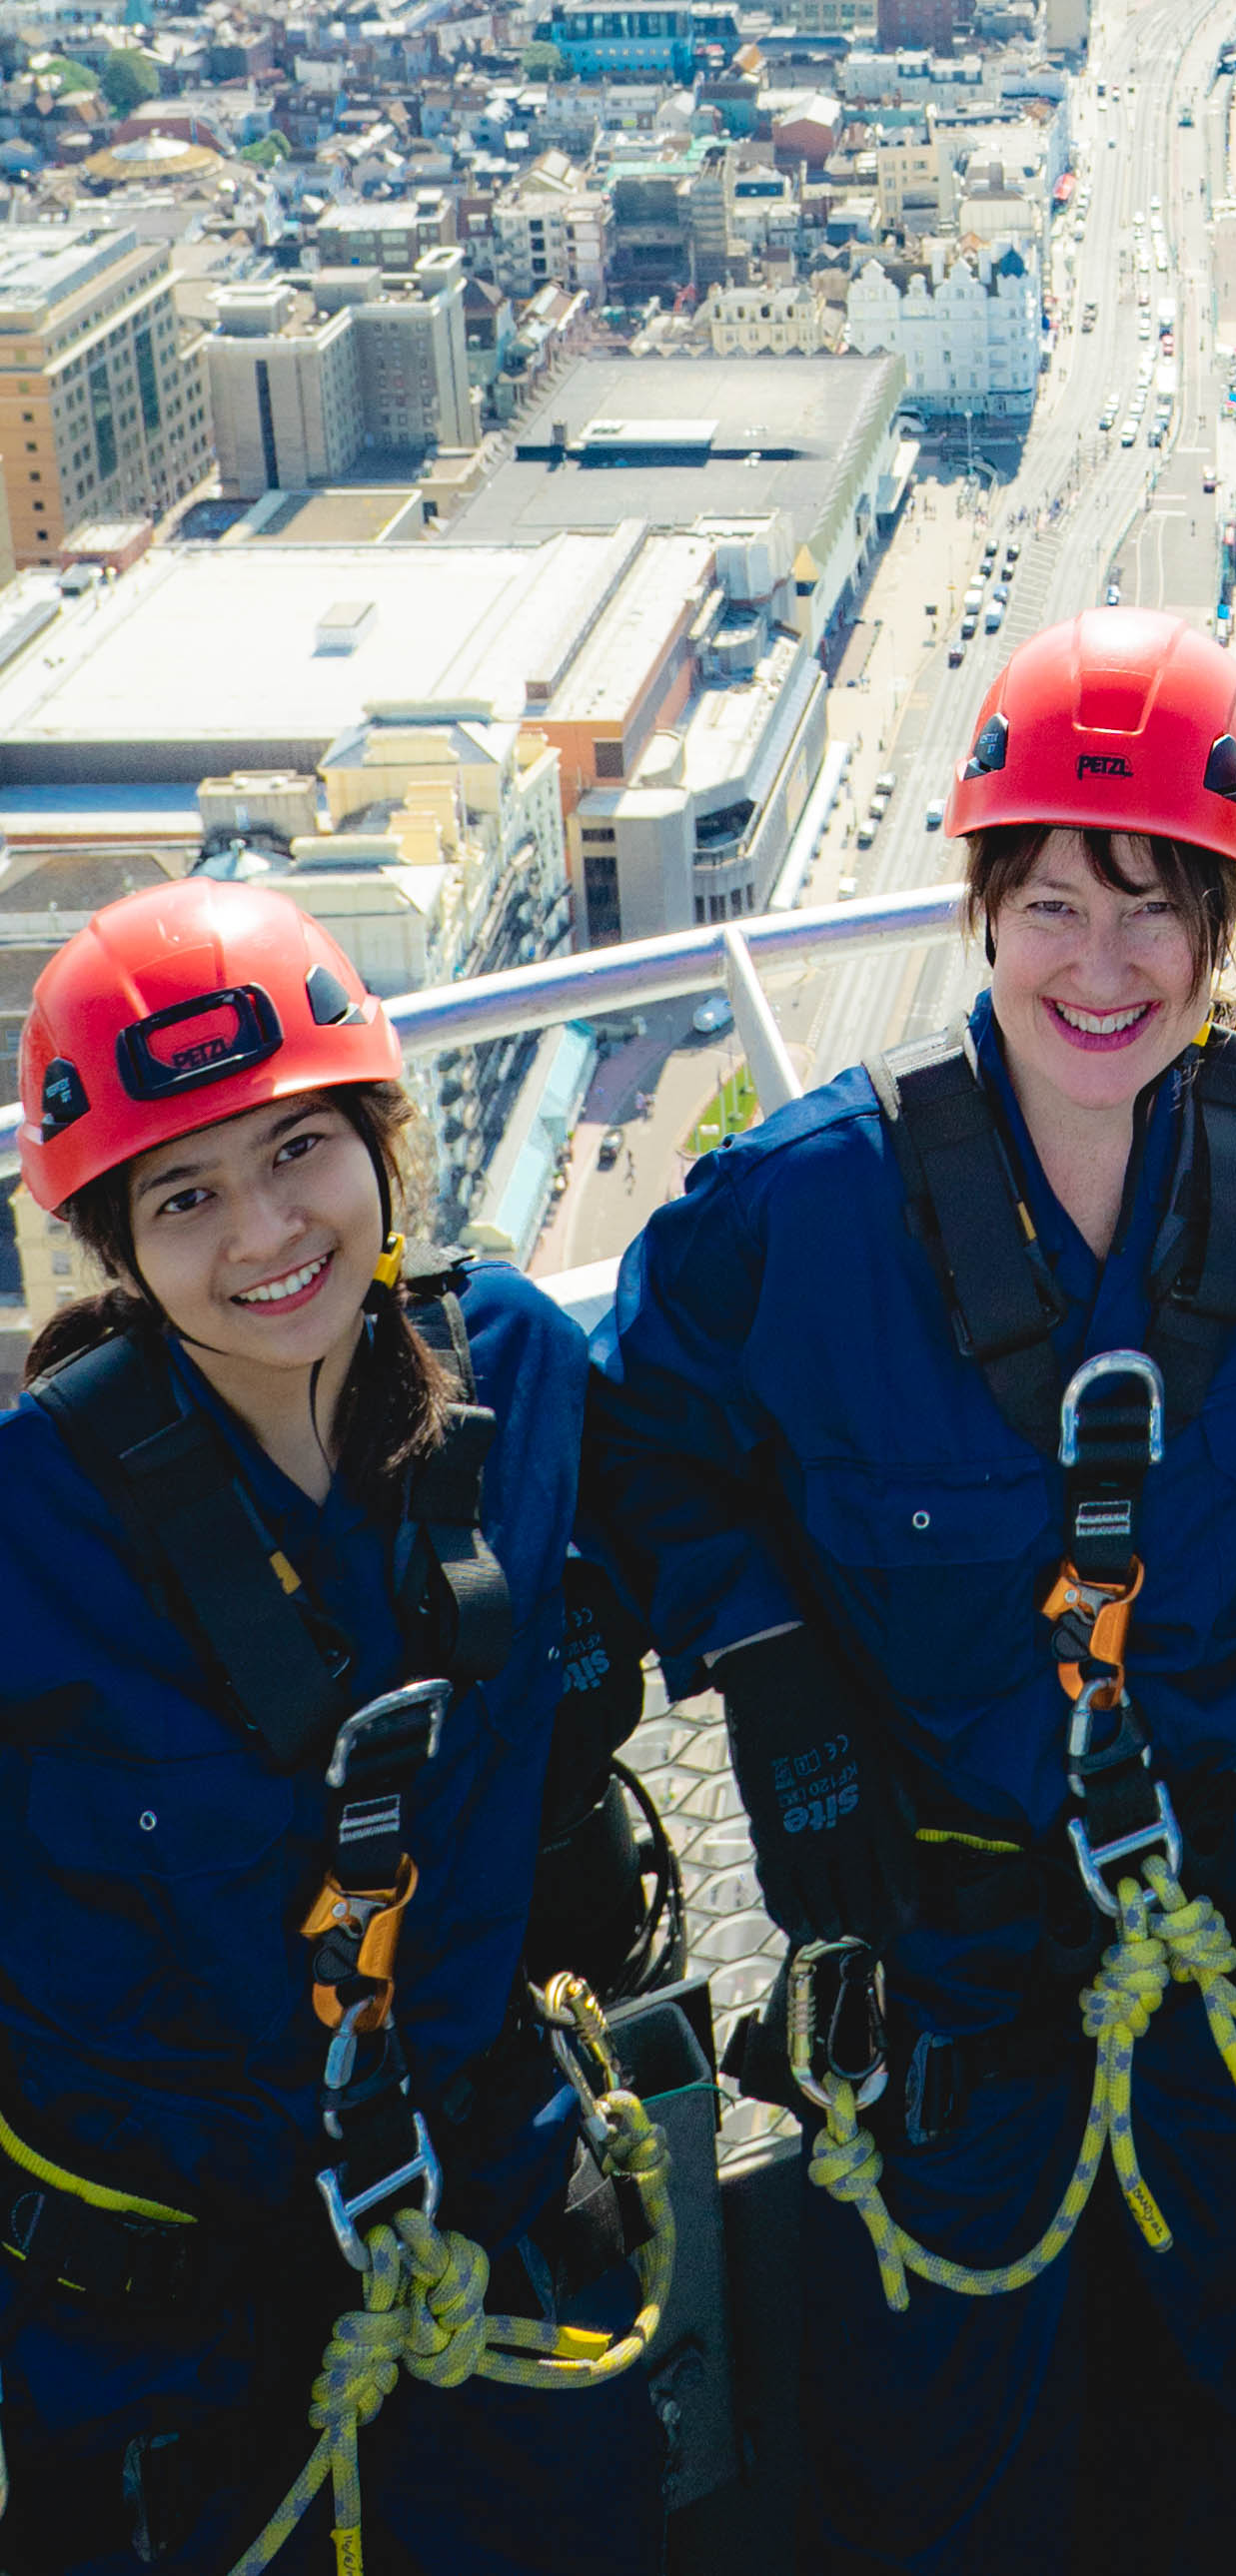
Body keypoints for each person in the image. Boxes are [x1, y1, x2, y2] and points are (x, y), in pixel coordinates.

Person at [585, 608, 1236, 2576]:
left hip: (1232, 1929)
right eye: (1055, 899)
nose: (1103, 963)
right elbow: (640, 1442)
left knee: (1211, 2388)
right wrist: (769, 1657)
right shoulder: (800, 1213)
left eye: (1159, 908)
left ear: (1227, 924)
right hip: (948, 1961)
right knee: (940, 2449)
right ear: (985, 901)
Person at [0, 879, 665, 2576]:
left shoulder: (513, 1371)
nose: (263, 1232)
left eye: (300, 1147)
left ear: (382, 1140)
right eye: (186, 1191)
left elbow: (733, 1476)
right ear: (116, 1244)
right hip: (178, 2315)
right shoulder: (33, 1525)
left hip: (482, 2216)